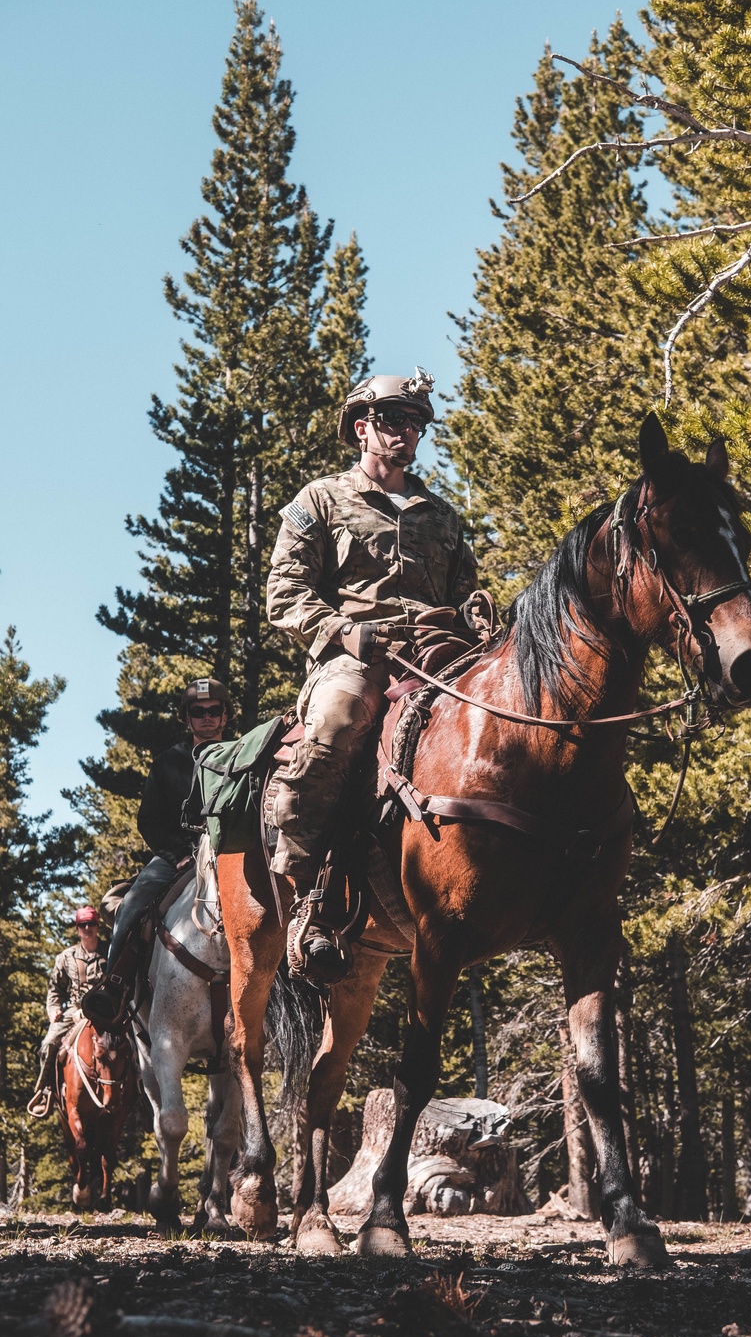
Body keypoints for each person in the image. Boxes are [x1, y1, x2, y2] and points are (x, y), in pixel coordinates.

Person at [266, 366, 478, 981]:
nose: (405, 432)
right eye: (392, 420)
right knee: (336, 719)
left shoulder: (442, 516)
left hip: (439, 654)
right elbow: (285, 594)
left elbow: (467, 595)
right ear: (362, 427)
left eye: (415, 424)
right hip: (356, 656)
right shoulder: (320, 500)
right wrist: (343, 631)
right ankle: (303, 876)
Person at [80, 678, 231, 1027]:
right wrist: (177, 853)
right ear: (187, 718)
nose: (206, 718)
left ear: (225, 716)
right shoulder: (168, 762)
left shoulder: (243, 756)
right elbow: (148, 820)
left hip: (233, 852)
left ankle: (300, 988)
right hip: (177, 856)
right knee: (132, 903)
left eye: (213, 711)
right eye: (198, 712)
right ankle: (114, 985)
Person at [27, 906, 107, 1118]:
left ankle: (144, 1095)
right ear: (77, 928)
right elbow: (55, 990)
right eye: (83, 925)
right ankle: (45, 1091)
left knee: (136, 1044)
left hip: (106, 1013)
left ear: (97, 926)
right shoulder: (66, 957)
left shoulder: (110, 953)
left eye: (91, 923)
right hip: (75, 1012)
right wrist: (53, 1010)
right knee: (47, 1045)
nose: (87, 928)